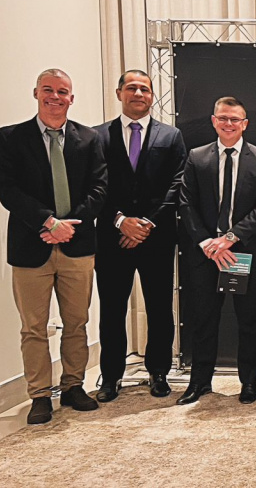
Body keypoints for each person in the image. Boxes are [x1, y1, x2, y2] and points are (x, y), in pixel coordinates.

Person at [0, 69, 108, 424]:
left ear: (71, 98)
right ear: (36, 93)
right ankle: (40, 395)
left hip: (77, 245)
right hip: (32, 246)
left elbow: (100, 188)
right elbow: (7, 188)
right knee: (33, 327)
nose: (55, 97)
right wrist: (48, 222)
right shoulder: (10, 137)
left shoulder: (89, 138)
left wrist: (68, 227)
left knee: (77, 322)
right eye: (48, 90)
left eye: (62, 91)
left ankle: (73, 386)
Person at [176, 97, 256, 405]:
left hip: (243, 252)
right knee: (203, 320)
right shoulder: (197, 157)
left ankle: (249, 382)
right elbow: (186, 204)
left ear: (245, 124)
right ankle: (199, 382)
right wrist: (207, 242)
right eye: (223, 118)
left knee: (249, 321)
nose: (228, 124)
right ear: (213, 121)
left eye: (235, 119)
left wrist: (230, 238)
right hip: (206, 253)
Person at [94, 70, 187, 402]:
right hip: (112, 238)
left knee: (160, 308)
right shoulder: (97, 136)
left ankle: (158, 372)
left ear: (152, 95)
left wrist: (146, 223)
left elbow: (178, 184)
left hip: (156, 237)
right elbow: (93, 187)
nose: (138, 93)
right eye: (131, 88)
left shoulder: (171, 136)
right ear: (118, 92)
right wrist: (120, 221)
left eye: (144, 89)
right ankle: (111, 376)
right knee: (112, 310)